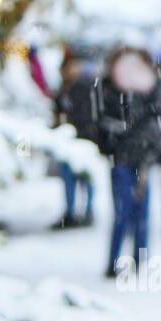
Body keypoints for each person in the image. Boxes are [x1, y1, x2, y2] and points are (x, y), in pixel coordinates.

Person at [88, 46, 161, 277]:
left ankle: (139, 258)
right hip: (121, 159)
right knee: (123, 212)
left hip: (140, 159)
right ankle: (115, 261)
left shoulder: (150, 90)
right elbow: (100, 123)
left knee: (141, 212)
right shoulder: (108, 89)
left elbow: (156, 123)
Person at [53, 52, 96, 229]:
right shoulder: (63, 90)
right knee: (69, 179)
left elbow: (88, 114)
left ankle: (88, 211)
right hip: (67, 141)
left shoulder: (85, 88)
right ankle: (70, 212)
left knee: (86, 178)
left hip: (84, 139)